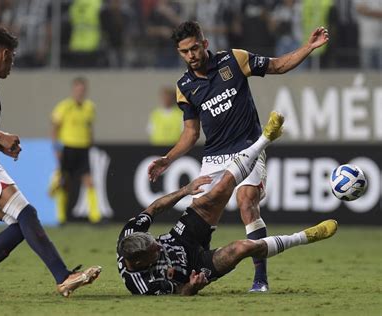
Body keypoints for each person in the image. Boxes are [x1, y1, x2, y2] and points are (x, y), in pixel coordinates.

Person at [147, 20, 329, 292]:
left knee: (247, 202)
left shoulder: (234, 60)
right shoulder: (184, 87)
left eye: (194, 48)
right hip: (214, 158)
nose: (191, 55)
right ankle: (197, 273)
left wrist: (308, 47)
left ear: (204, 44)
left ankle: (260, 280)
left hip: (249, 147)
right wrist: (167, 158)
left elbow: (277, 66)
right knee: (199, 222)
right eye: (184, 52)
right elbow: (191, 133)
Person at [0, 28, 101, 302]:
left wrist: (0, 144)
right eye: (13, 59)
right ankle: (63, 277)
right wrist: (0, 135)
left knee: (22, 224)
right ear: (5, 54)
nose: (12, 65)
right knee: (27, 213)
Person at [119, 112, 338, 295]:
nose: (158, 245)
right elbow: (178, 293)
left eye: (153, 241)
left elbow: (155, 208)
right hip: (197, 265)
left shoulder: (130, 234)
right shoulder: (141, 284)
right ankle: (305, 237)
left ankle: (264, 139)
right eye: (154, 249)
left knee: (219, 190)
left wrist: (185, 190)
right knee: (243, 248)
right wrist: (193, 287)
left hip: (182, 236)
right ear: (139, 263)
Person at [50, 77, 101, 225]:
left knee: (89, 181)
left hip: (83, 148)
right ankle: (61, 217)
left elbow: (90, 127)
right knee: (64, 183)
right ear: (73, 90)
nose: (80, 92)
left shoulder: (90, 107)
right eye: (78, 89)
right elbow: (55, 128)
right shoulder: (64, 107)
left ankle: (95, 217)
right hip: (68, 148)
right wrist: (56, 148)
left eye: (82, 90)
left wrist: (91, 143)